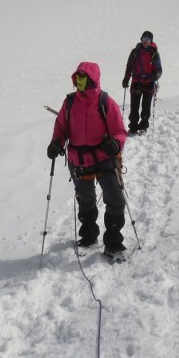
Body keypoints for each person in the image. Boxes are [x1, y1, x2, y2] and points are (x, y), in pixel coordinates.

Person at [47, 62, 130, 258]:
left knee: (116, 201)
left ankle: (113, 243)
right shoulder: (69, 102)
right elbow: (61, 128)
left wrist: (116, 144)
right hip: (79, 160)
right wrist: (56, 143)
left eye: (83, 76)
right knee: (85, 201)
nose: (79, 80)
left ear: (93, 79)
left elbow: (119, 131)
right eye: (78, 76)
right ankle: (88, 236)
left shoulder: (105, 102)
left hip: (104, 159)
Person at [122, 30, 163, 134]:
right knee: (134, 107)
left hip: (149, 83)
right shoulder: (135, 52)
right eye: (144, 38)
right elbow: (129, 66)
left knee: (146, 106)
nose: (145, 41)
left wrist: (154, 77)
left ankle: (143, 126)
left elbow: (159, 70)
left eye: (148, 39)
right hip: (136, 81)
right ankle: (133, 127)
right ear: (141, 39)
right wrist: (126, 79)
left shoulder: (154, 53)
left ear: (151, 41)